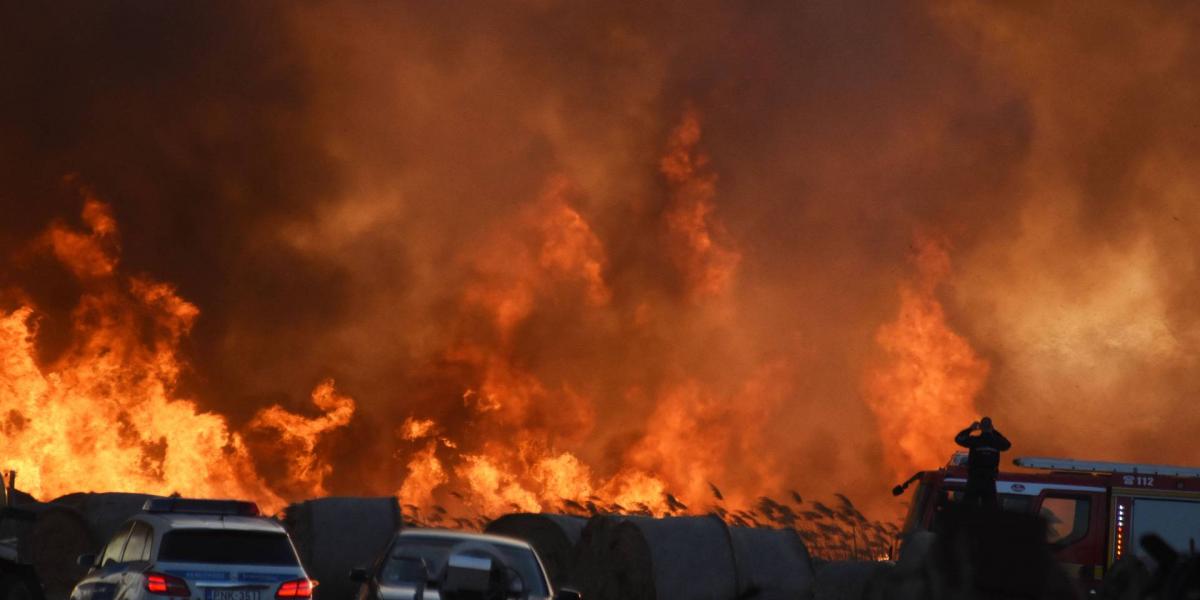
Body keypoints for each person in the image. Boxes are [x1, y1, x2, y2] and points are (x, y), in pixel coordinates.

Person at [954, 416, 1011, 509]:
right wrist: (994, 431)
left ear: (981, 427)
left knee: (968, 508)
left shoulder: (974, 441)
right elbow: (1007, 444)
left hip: (974, 480)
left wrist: (970, 429)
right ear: (991, 427)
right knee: (989, 509)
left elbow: (958, 439)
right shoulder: (997, 442)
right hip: (989, 481)